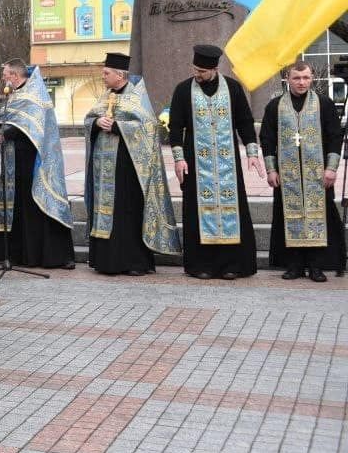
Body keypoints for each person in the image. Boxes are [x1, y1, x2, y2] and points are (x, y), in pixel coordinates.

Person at [168, 44, 262, 280]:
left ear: (214, 69)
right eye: (195, 69)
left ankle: (232, 265)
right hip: (195, 162)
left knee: (233, 210)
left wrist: (252, 152)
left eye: (201, 71)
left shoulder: (232, 88)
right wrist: (179, 160)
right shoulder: (183, 90)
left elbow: (245, 121)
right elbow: (176, 126)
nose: (197, 74)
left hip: (227, 162)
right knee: (197, 212)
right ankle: (202, 265)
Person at [82, 53, 180, 276]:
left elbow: (148, 128)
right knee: (105, 212)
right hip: (103, 169)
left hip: (128, 169)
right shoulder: (104, 97)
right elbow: (88, 120)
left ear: (120, 75)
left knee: (127, 213)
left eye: (106, 73)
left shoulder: (137, 98)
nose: (103, 76)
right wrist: (96, 123)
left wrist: (118, 127)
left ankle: (134, 262)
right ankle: (105, 261)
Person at [261, 60, 346, 281]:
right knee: (290, 217)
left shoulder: (324, 104)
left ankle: (317, 266)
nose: (302, 82)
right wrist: (271, 170)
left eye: (306, 77)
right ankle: (294, 265)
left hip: (318, 175)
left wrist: (331, 168)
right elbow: (267, 139)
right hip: (287, 176)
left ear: (312, 78)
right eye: (297, 78)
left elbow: (335, 136)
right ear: (288, 79)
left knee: (320, 216)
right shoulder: (275, 106)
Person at [0, 60, 75, 269]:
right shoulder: (16, 95)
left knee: (36, 206)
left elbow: (27, 126)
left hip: (34, 162)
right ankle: (23, 255)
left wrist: (3, 134)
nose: (3, 78)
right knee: (20, 207)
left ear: (14, 75)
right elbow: (8, 122)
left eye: (5, 74)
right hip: (15, 162)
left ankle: (48, 256)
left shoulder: (33, 96)